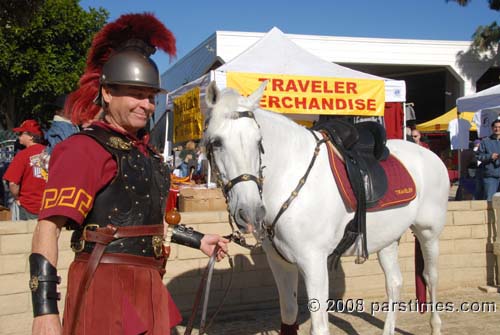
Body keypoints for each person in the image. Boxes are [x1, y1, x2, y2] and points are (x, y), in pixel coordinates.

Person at [30, 13, 228, 335]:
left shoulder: (146, 153)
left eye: (150, 97)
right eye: (136, 94)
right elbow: (48, 228)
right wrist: (45, 311)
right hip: (105, 280)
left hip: (148, 280)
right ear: (107, 93)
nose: (147, 105)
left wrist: (198, 239)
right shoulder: (86, 148)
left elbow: (145, 224)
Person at [2, 120, 47, 220]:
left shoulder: (22, 155)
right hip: (50, 206)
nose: (19, 136)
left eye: (21, 133)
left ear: (31, 136)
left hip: (29, 207)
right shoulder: (50, 152)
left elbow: (13, 184)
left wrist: (17, 198)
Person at [476, 119, 500, 201]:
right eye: (495, 127)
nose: (497, 129)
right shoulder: (485, 141)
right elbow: (478, 156)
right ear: (492, 128)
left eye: (499, 127)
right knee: (490, 200)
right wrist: (490, 156)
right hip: (490, 175)